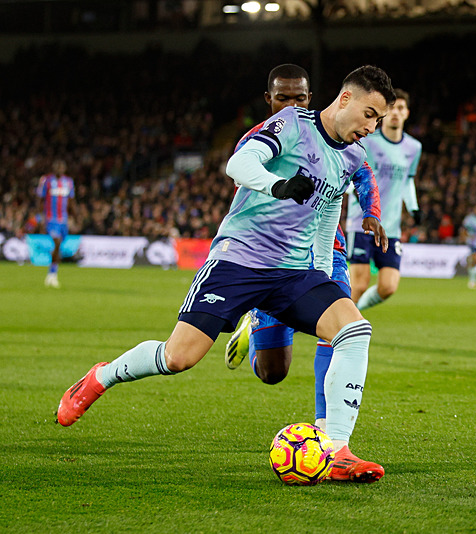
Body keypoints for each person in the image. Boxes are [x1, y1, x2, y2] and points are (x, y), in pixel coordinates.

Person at [57, 65, 397, 483]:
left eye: (378, 120)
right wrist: (278, 185)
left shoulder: (352, 156)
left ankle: (338, 450)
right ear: (345, 99)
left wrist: (324, 281)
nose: (371, 127)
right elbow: (239, 163)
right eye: (369, 114)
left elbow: (328, 216)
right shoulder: (292, 122)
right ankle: (99, 377)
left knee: (353, 330)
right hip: (238, 262)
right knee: (178, 357)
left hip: (292, 273)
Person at [224, 65, 385, 443]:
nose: (292, 104)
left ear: (311, 99)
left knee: (343, 331)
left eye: (299, 98)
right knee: (272, 371)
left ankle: (329, 434)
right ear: (269, 100)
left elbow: (363, 175)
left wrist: (372, 214)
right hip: (275, 256)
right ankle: (253, 326)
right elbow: (245, 192)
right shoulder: (259, 140)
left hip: (328, 250)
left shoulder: (342, 138)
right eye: (283, 98)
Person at [346, 89, 422, 310]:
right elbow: (353, 173)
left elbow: (408, 179)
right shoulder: (368, 141)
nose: (396, 113)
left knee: (388, 286)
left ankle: (353, 314)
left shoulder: (413, 147)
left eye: (400, 108)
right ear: (384, 114)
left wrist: (414, 207)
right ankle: (335, 331)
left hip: (390, 227)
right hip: (362, 223)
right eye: (392, 109)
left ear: (407, 113)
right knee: (358, 285)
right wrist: (350, 190)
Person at [37, 160, 74, 288]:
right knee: (57, 241)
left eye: (61, 166)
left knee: (58, 247)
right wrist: (40, 217)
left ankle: (52, 273)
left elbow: (71, 200)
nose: (59, 169)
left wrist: (73, 216)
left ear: (64, 169)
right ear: (53, 168)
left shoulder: (69, 182)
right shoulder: (47, 181)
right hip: (51, 218)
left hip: (63, 219)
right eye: (57, 167)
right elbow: (40, 199)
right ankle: (52, 275)